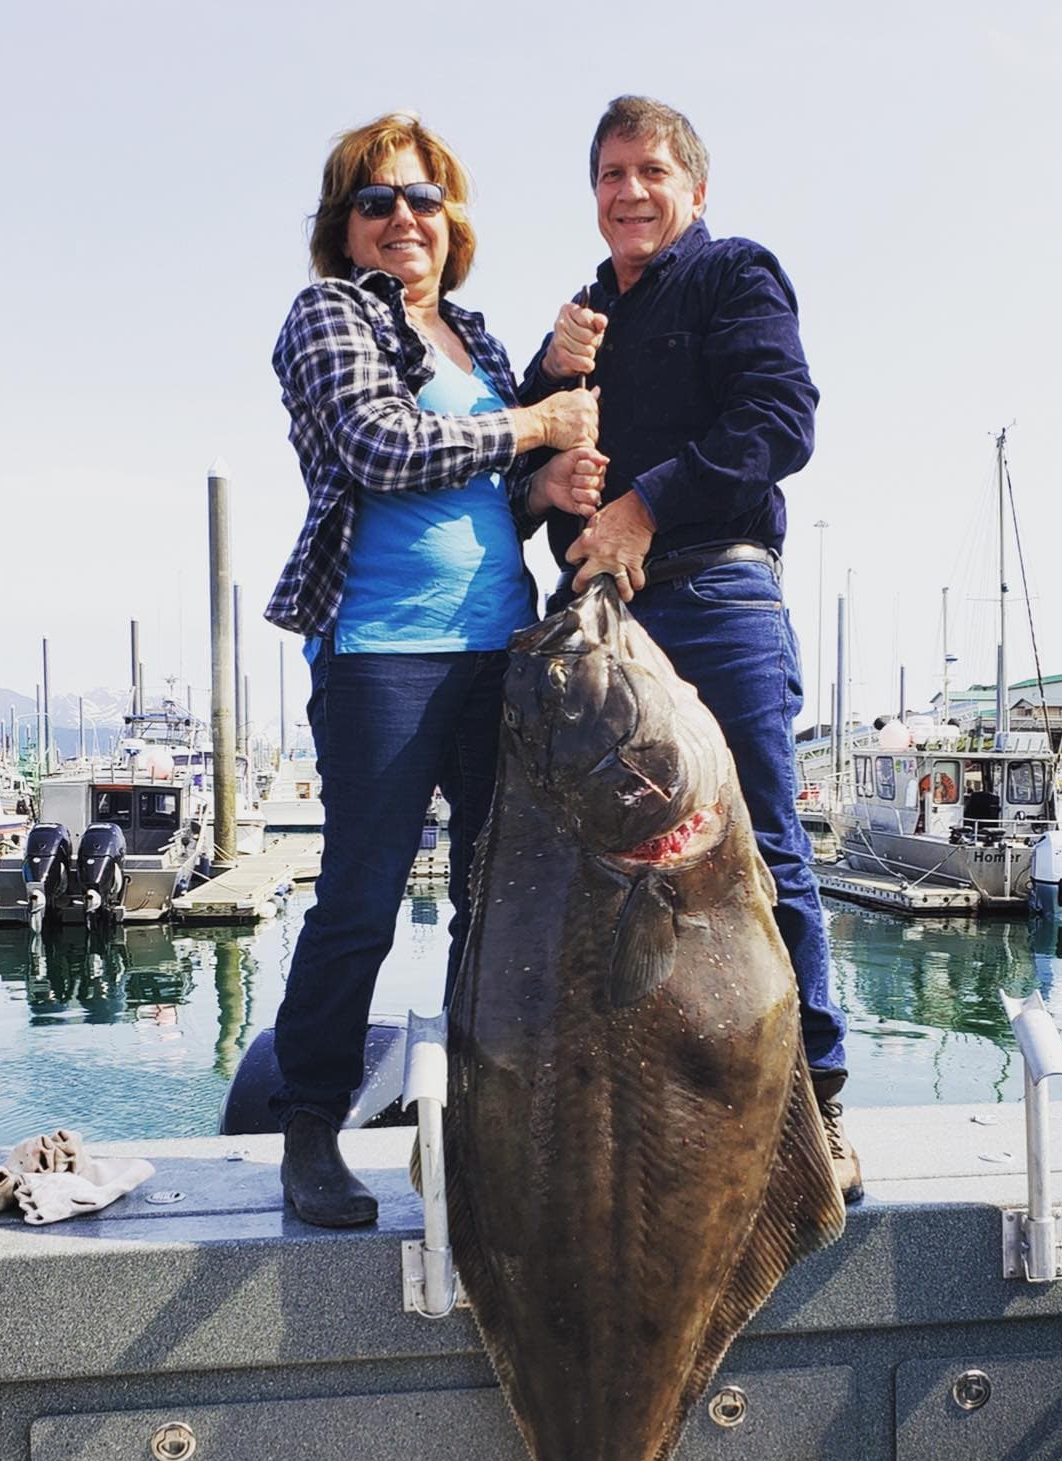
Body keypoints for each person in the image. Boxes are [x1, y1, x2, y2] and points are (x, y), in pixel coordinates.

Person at [520, 95, 861, 1200]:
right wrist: (545, 410)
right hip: (604, 624)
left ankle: (817, 1106)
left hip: (714, 596)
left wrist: (641, 508)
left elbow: (779, 419)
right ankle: (657, 1118)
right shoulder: (577, 325)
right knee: (603, 878)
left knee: (763, 848)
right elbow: (526, 479)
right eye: (611, 175)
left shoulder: (735, 276)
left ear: (694, 189)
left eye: (650, 172)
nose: (628, 192)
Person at [266, 114, 603, 1227]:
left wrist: (537, 493)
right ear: (344, 226)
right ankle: (310, 1128)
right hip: (380, 655)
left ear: (449, 222)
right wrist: (537, 423)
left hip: (498, 645)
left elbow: (479, 489)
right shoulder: (327, 314)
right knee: (360, 900)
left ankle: (484, 1119)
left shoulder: (476, 338)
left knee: (495, 897)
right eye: (378, 201)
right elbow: (380, 446)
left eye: (422, 200)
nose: (403, 218)